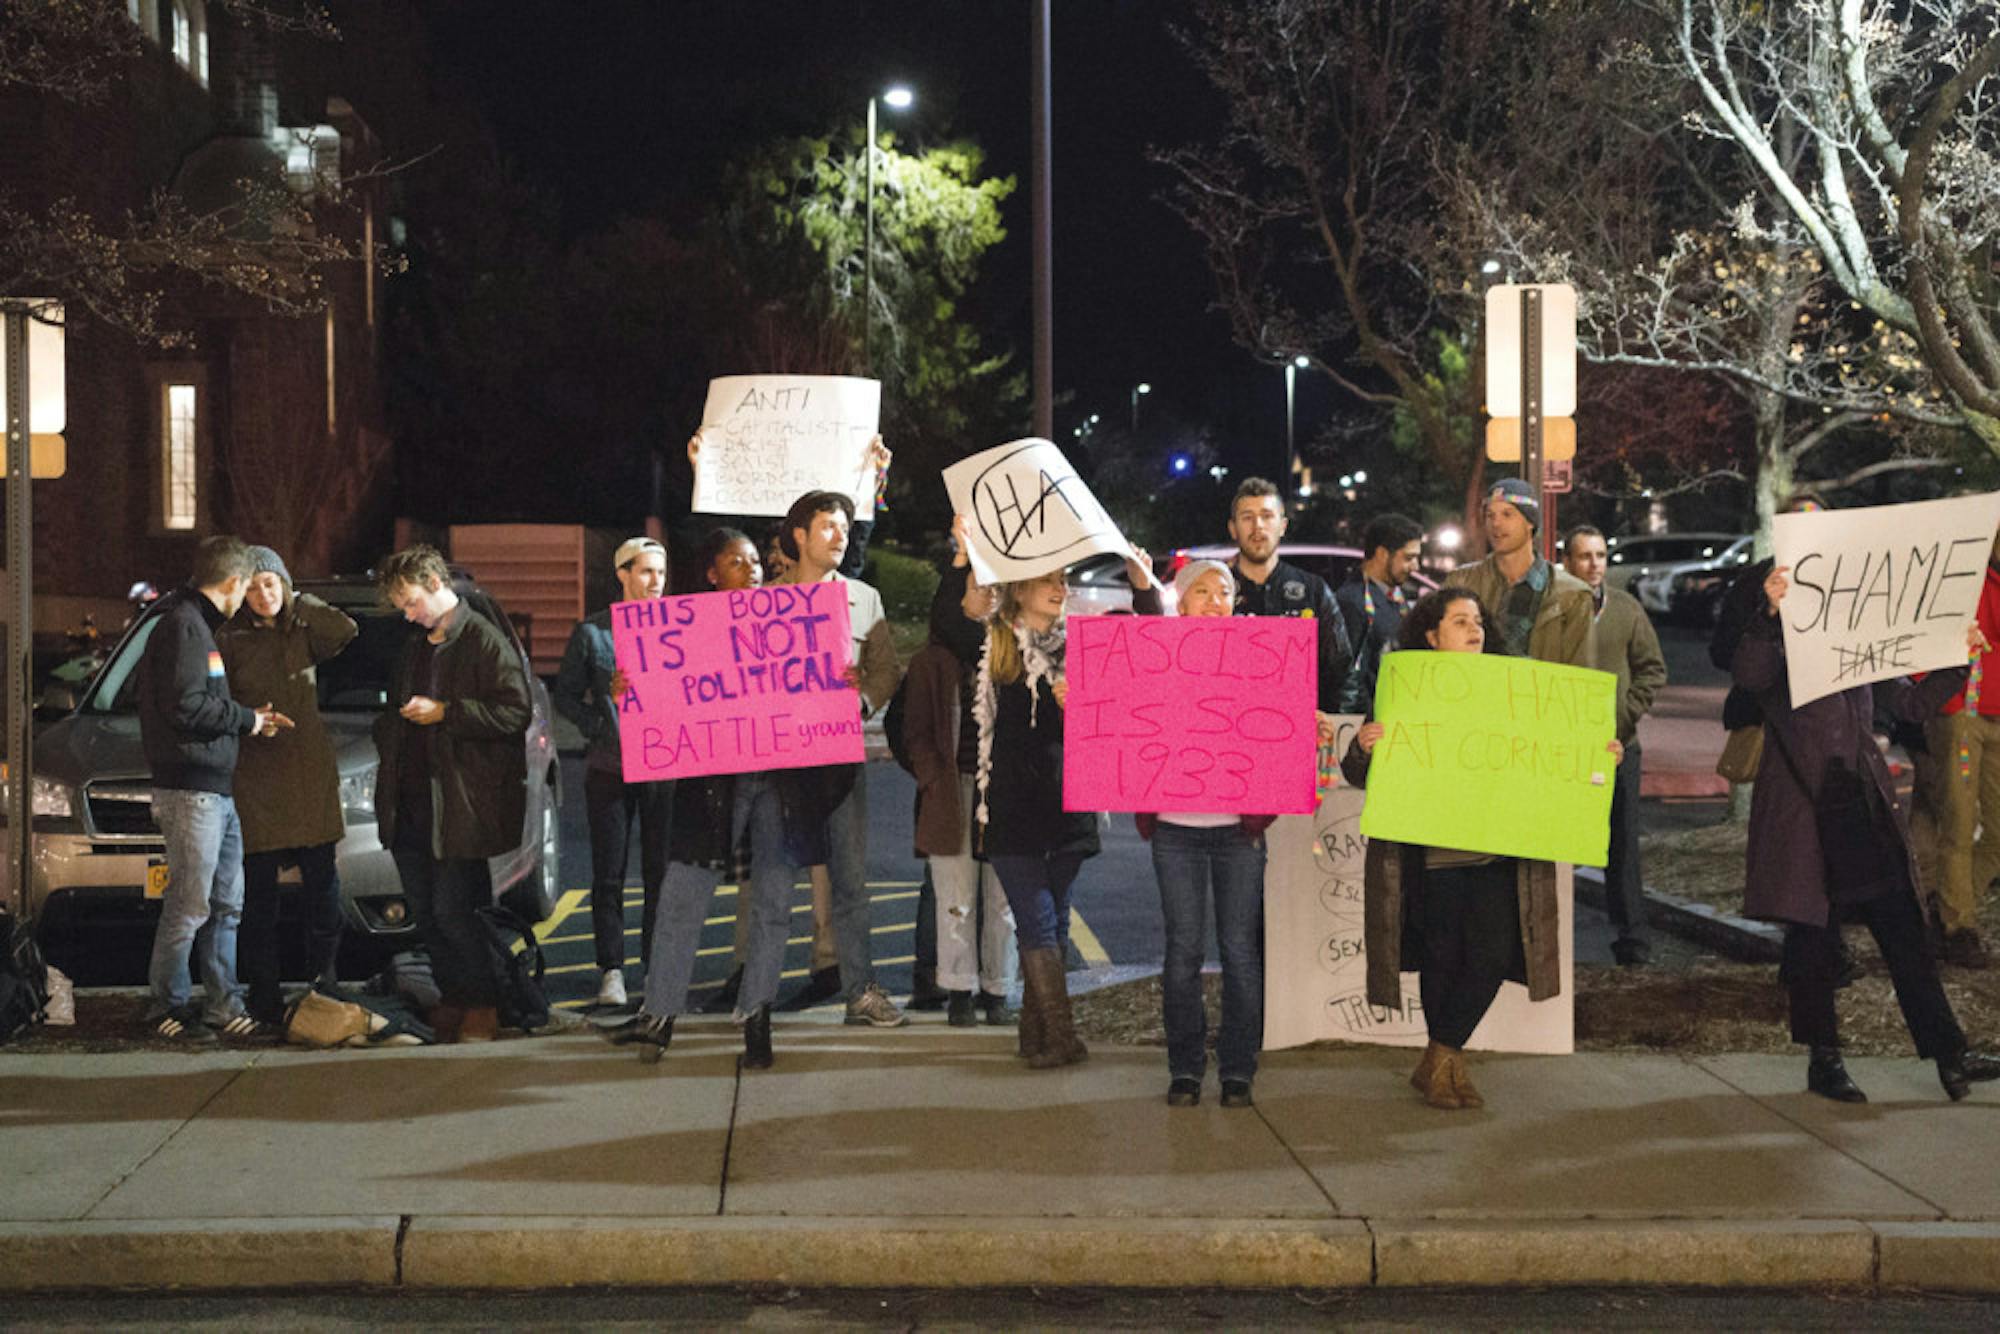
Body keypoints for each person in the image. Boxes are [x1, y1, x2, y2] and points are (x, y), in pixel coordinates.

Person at [1342, 588, 1619, 1110]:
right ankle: (1446, 1068)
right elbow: (1359, 775)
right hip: (1433, 859)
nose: (1474, 631)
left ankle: (1441, 1053)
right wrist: (1362, 748)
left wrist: (1598, 751)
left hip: (1497, 854)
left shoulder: (1514, 689)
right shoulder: (1407, 690)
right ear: (1432, 636)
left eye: (1479, 622)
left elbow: (1555, 757)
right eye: (1460, 622)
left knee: (1490, 956)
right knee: (1442, 958)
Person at [1737, 560, 2000, 1102]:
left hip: (1861, 804)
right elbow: (1750, 674)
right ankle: (1823, 1060)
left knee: (1904, 929)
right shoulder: (1779, 641)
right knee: (1813, 941)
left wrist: (1958, 661)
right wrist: (1768, 614)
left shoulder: (1857, 644)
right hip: (1807, 812)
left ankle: (1950, 1055)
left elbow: (1908, 701)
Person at [934, 516, 1138, 1068]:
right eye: (1048, 578)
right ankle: (1063, 1036)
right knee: (1037, 920)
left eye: (1064, 578)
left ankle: (1036, 1039)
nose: (1061, 587)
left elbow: (1148, 661)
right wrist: (962, 558)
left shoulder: (1083, 648)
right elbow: (946, 622)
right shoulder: (995, 643)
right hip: (1014, 811)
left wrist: (1143, 586)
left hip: (1070, 809)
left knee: (1054, 915)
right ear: (1020, 587)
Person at [373, 545, 531, 1044]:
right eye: (402, 605)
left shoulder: (481, 640)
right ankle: (454, 999)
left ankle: (483, 1002)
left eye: (411, 601)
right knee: (425, 912)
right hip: (414, 800)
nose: (408, 613)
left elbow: (515, 711)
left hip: (458, 804)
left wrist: (446, 711)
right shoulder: (417, 646)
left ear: (436, 584)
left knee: (453, 911)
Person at [137, 536, 292, 1042]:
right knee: (190, 905)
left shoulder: (194, 624)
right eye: (245, 585)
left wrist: (246, 721)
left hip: (213, 790)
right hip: (192, 792)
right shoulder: (185, 627)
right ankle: (166, 1007)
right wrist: (246, 719)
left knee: (226, 903)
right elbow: (185, 706)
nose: (245, 595)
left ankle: (224, 1005)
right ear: (232, 583)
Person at [767, 489, 907, 1027]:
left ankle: (860, 993)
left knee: (850, 880)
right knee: (776, 882)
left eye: (845, 526)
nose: (840, 535)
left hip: (838, 757)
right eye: (828, 525)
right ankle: (759, 999)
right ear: (799, 535)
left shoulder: (864, 599)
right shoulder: (765, 602)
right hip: (779, 762)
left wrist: (862, 700)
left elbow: (887, 669)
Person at [1138, 559, 1274, 1108]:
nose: (1215, 600)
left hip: (1239, 833)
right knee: (1182, 953)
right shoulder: (1152, 659)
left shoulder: (1260, 659)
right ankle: (1186, 1070)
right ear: (1180, 599)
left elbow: (1272, 728)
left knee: (1241, 953)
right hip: (1175, 830)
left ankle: (1239, 1069)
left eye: (1224, 591)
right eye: (1202, 590)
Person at [217, 544, 358, 1025]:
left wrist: (301, 603)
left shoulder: (303, 626)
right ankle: (264, 991)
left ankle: (325, 980)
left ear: (285, 584)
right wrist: (249, 722)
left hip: (308, 774)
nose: (263, 595)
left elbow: (345, 630)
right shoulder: (230, 637)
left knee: (324, 891)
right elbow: (217, 701)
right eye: (253, 586)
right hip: (256, 776)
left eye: (271, 583)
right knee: (260, 900)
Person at [555, 536, 675, 1008]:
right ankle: (611, 970)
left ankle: (657, 967)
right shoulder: (593, 635)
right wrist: (600, 722)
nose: (655, 583)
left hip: (665, 763)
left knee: (660, 873)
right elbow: (565, 695)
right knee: (609, 873)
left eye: (661, 574)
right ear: (622, 573)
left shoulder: (676, 628)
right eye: (645, 572)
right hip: (611, 764)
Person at [904, 560, 1017, 1028]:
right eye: (978, 587)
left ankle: (998, 989)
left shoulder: (1012, 653)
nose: (988, 595)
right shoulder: (934, 660)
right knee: (955, 896)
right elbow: (912, 732)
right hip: (953, 790)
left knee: (1003, 898)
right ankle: (959, 990)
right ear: (959, 596)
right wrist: (933, 776)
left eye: (996, 587)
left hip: (1005, 790)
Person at [1562, 525, 1667, 966]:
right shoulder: (1552, 611)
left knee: (1623, 844)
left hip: (1619, 745)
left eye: (1601, 555)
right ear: (1567, 562)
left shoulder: (1626, 609)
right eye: (1584, 556)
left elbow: (1651, 669)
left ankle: (1633, 937)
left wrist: (1624, 718)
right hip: (1562, 748)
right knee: (1559, 842)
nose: (1594, 564)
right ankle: (1553, 936)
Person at [1925, 523, 2000, 970]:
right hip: (1964, 710)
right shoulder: (1965, 580)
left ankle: (1946, 905)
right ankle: (1958, 927)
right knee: (1958, 820)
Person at [1223, 477, 1355, 712]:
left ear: (1282, 526)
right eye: (1247, 518)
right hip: (1230, 732)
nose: (1258, 526)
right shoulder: (1217, 593)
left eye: (1267, 516)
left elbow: (1341, 671)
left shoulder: (1314, 590)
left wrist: (1334, 728)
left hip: (1298, 734)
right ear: (1233, 528)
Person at [1446, 478, 1593, 668]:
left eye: (1507, 514)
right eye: (1490, 515)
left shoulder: (1572, 595)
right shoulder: (1461, 582)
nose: (1496, 524)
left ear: (1530, 522)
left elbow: (1580, 672)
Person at [1335, 512, 1424, 714]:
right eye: (1409, 558)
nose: (1415, 567)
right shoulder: (1351, 602)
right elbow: (1349, 679)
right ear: (1383, 554)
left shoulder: (1395, 597)